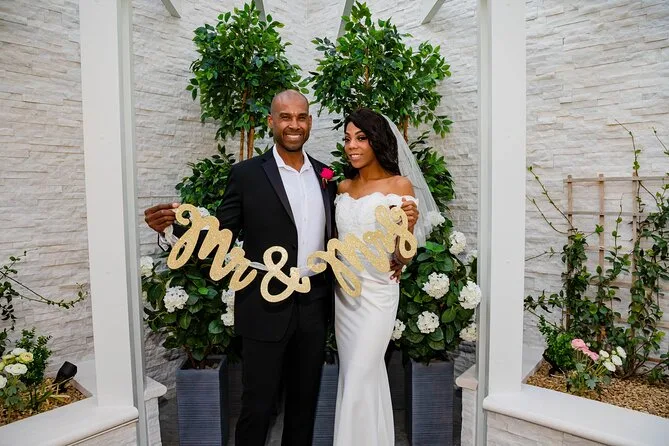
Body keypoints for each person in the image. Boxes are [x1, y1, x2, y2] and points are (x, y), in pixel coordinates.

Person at [143, 91, 418, 446]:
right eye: (285, 117)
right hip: (263, 304)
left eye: (301, 117)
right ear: (271, 121)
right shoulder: (246, 175)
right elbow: (222, 233)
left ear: (310, 123)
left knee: (304, 408)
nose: (294, 124)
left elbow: (346, 236)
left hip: (316, 304)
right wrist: (172, 230)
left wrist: (396, 255)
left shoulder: (327, 176)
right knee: (257, 408)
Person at [333, 108, 439, 446]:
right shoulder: (342, 187)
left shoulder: (399, 185)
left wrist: (407, 228)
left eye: (361, 138)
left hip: (378, 293)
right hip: (344, 296)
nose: (352, 145)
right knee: (359, 374)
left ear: (377, 141)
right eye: (348, 138)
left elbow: (402, 257)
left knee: (360, 373)